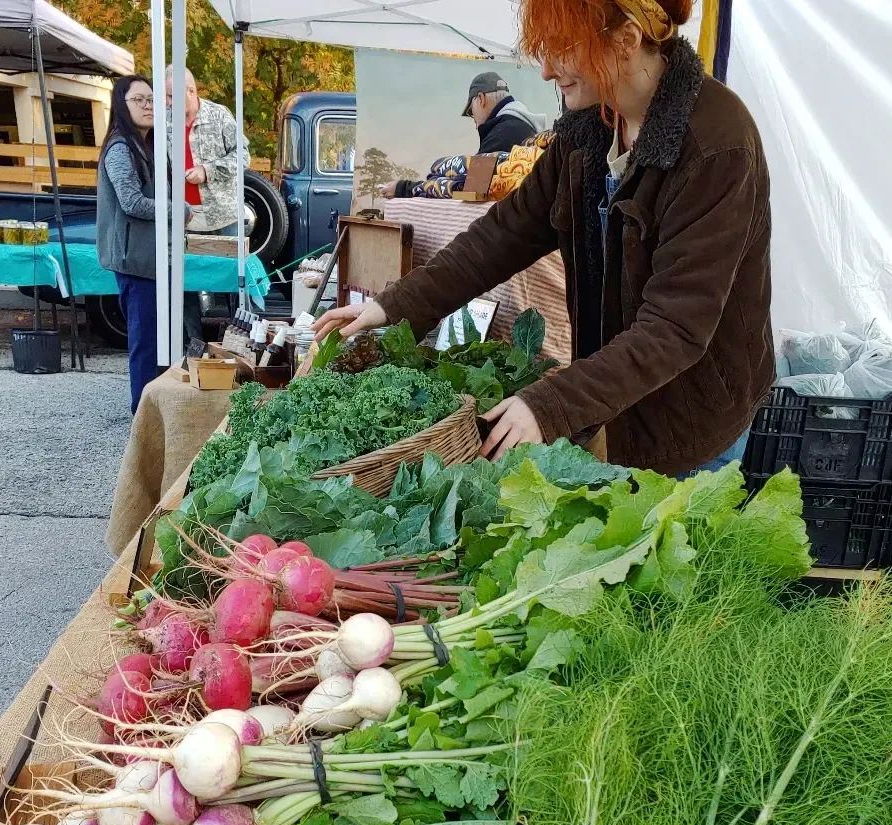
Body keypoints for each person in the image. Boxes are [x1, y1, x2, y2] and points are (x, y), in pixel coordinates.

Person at [317, 0, 774, 477]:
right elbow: (503, 234)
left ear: (626, 39)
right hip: (618, 398)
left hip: (693, 414)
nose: (547, 71)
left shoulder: (716, 143)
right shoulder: (590, 126)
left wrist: (549, 405)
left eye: (562, 50)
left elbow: (676, 327)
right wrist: (393, 306)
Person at [97, 76, 176, 413]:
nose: (148, 106)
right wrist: (178, 211)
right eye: (139, 100)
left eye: (152, 100)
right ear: (121, 105)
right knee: (145, 344)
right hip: (136, 260)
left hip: (153, 257)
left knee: (159, 339)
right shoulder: (120, 149)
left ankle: (154, 408)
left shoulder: (151, 146)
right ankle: (142, 416)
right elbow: (131, 202)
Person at [165, 65, 250, 345]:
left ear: (191, 92)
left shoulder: (219, 115)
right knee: (183, 283)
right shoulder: (164, 121)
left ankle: (240, 341)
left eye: (171, 97)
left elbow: (244, 156)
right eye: (165, 97)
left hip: (223, 216)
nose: (167, 103)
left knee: (234, 282)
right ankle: (193, 342)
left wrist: (208, 170)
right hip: (185, 217)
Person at [380, 72, 546, 199]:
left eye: (470, 111)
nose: (474, 121)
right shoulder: (522, 127)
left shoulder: (504, 131)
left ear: (480, 99)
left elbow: (472, 189)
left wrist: (405, 189)